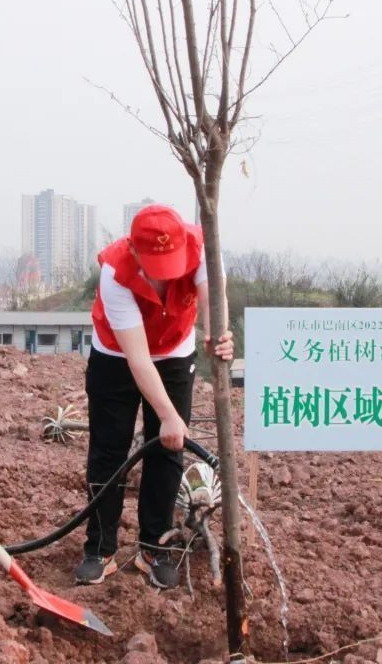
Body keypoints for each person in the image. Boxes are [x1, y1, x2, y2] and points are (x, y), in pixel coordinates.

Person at [74, 204, 233, 589]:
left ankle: (154, 548)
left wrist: (218, 334)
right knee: (109, 450)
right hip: (117, 354)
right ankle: (100, 549)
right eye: (156, 266)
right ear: (134, 250)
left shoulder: (203, 249)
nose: (166, 275)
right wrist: (168, 414)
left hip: (175, 351)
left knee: (168, 449)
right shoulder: (115, 272)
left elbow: (213, 299)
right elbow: (138, 359)